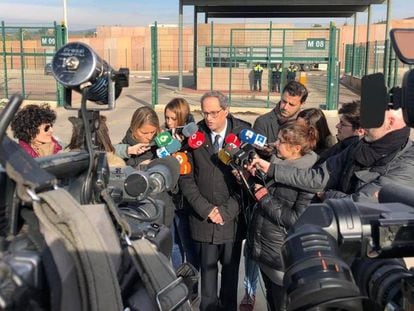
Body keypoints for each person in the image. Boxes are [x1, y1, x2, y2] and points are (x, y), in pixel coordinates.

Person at [248, 107, 414, 203]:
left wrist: (328, 194)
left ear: (390, 123)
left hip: (369, 252)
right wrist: (271, 169)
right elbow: (318, 177)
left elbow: (361, 203)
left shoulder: (406, 164)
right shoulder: (361, 145)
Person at [179, 91, 251, 311]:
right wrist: (207, 209)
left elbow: (250, 180)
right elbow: (186, 178)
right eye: (205, 112)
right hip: (203, 221)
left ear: (226, 111)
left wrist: (227, 211)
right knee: (207, 290)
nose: (208, 118)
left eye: (214, 113)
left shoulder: (243, 133)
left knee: (229, 284)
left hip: (232, 222)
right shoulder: (193, 136)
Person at [248, 121, 318, 311]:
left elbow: (297, 219)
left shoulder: (308, 176)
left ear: (296, 148)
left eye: (280, 141)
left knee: (283, 305)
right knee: (272, 302)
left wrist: (264, 197)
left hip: (282, 258)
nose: (275, 144)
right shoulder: (279, 163)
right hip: (265, 250)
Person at [163, 98, 199, 301]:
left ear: (183, 117)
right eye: (166, 118)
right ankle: (179, 283)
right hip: (169, 199)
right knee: (174, 245)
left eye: (172, 118)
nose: (168, 122)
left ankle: (193, 286)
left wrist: (180, 144)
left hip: (187, 200)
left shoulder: (193, 137)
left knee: (188, 245)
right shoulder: (164, 136)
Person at [254, 81, 308, 160]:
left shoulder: (306, 125)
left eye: (291, 104)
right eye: (284, 101)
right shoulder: (262, 122)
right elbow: (259, 152)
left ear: (302, 104)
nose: (285, 107)